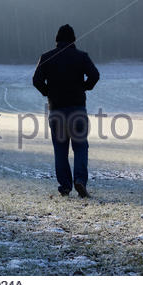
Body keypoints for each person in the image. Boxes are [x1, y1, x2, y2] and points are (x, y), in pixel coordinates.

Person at [33, 24, 99, 198]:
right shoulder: (81, 57)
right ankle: (80, 181)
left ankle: (65, 186)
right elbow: (95, 75)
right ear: (74, 39)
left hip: (56, 111)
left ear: (57, 40)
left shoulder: (46, 57)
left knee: (60, 150)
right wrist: (84, 88)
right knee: (80, 147)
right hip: (77, 109)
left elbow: (36, 80)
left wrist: (49, 93)